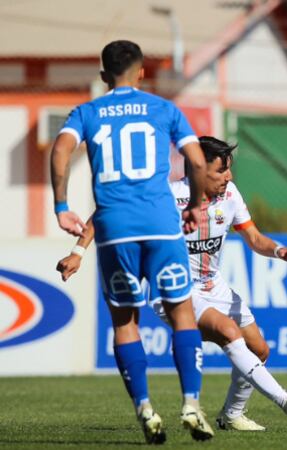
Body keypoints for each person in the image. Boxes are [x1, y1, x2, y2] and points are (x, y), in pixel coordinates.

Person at [57, 136, 287, 432]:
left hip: (214, 286)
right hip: (175, 289)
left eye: (229, 170)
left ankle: (231, 414)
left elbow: (254, 238)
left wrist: (279, 250)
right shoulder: (166, 196)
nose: (228, 177)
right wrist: (77, 252)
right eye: (221, 171)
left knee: (259, 350)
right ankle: (286, 402)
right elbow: (107, 211)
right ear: (197, 169)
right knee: (228, 331)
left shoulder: (230, 195)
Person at [50, 40, 213, 443]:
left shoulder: (87, 112)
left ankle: (145, 408)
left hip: (115, 230)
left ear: (104, 76)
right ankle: (191, 404)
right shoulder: (165, 109)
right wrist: (195, 205)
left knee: (125, 322)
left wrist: (61, 204)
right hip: (161, 226)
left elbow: (60, 149)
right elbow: (195, 161)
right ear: (142, 72)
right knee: (182, 315)